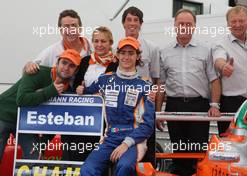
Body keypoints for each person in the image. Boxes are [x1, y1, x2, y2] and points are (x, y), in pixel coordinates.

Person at [156, 9, 221, 175]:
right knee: (179, 152)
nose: (184, 27)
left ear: (194, 27)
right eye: (181, 24)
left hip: (198, 106)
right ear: (175, 26)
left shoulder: (206, 50)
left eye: (188, 24)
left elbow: (214, 80)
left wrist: (214, 105)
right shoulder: (164, 51)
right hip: (174, 106)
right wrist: (158, 112)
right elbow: (161, 84)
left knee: (197, 153)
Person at [78, 37, 155, 176]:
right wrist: (80, 89)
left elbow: (148, 125)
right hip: (110, 137)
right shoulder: (105, 80)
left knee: (124, 167)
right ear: (117, 55)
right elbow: (87, 90)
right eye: (123, 52)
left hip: (134, 138)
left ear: (137, 56)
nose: (126, 57)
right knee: (87, 170)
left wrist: (126, 143)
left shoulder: (145, 86)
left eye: (131, 53)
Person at [0, 49, 81, 162]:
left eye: (72, 66)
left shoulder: (67, 90)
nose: (66, 68)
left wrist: (41, 145)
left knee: (35, 157)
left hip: (25, 124)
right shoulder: (37, 71)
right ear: (57, 63)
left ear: (76, 71)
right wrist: (51, 90)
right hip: (4, 114)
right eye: (64, 63)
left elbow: (54, 120)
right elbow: (22, 100)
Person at [62, 26, 118, 161]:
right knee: (75, 152)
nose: (99, 45)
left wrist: (97, 93)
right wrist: (78, 88)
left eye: (103, 41)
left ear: (110, 43)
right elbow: (76, 83)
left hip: (103, 118)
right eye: (96, 41)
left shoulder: (116, 63)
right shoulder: (85, 61)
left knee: (96, 156)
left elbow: (114, 88)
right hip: (82, 116)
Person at [212, 6, 247, 136]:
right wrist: (224, 66)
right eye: (233, 21)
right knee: (229, 144)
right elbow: (218, 59)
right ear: (227, 23)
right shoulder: (221, 44)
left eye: (241, 21)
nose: (237, 25)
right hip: (230, 103)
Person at [121, 6, 160, 165]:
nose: (132, 23)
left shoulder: (152, 48)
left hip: (144, 109)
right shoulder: (116, 46)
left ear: (141, 24)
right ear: (123, 23)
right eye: (129, 19)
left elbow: (157, 81)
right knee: (121, 151)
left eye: (136, 20)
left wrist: (156, 111)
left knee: (146, 155)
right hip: (120, 110)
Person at [24, 9, 90, 74]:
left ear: (80, 29)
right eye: (66, 26)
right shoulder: (52, 52)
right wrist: (28, 66)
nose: (71, 30)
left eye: (74, 26)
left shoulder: (94, 46)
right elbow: (30, 68)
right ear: (60, 30)